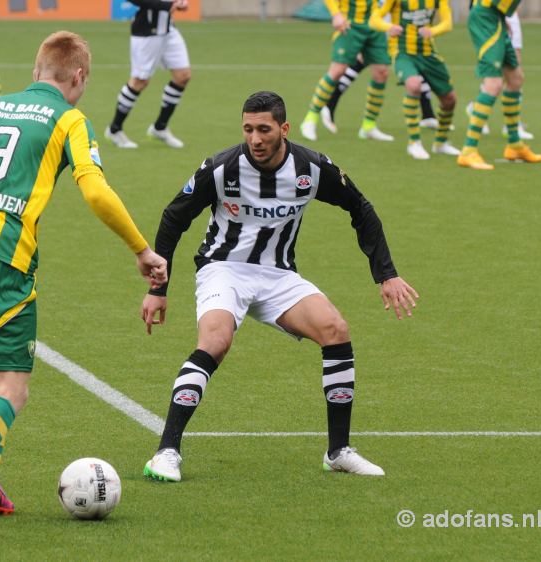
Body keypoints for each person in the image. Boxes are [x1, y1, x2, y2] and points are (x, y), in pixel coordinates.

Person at [0, 31, 168, 539]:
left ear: (36, 68)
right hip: (2, 258)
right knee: (12, 389)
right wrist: (141, 249)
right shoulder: (70, 119)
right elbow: (96, 191)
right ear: (79, 76)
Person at [141, 91, 418, 482]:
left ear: (284, 129)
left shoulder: (311, 167)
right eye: (248, 129)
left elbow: (361, 209)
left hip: (278, 275)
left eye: (264, 129)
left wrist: (386, 274)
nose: (255, 138)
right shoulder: (222, 168)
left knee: (335, 330)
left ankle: (338, 451)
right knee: (216, 341)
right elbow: (174, 218)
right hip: (224, 268)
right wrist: (158, 289)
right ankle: (166, 451)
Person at [369, 0, 460, 160]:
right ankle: (414, 143)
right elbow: (374, 19)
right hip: (402, 52)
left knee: (450, 99)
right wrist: (388, 27)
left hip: (428, 52)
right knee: (414, 85)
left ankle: (441, 143)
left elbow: (447, 23)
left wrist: (433, 31)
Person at [457, 0, 541, 170]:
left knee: (515, 79)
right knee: (493, 84)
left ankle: (515, 145)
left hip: (497, 17)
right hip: (486, 17)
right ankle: (468, 150)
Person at [299, 0, 394, 142]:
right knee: (338, 70)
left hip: (375, 24)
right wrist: (336, 14)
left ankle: (369, 126)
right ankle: (310, 119)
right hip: (350, 24)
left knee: (381, 73)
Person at [104, 0, 191, 149]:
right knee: (139, 81)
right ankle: (114, 129)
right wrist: (168, 5)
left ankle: (160, 128)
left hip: (168, 30)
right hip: (146, 33)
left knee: (182, 76)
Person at [464, 10, 534, 140]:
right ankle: (470, 145)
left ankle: (510, 126)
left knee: (514, 74)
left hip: (509, 14)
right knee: (497, 75)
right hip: (493, 15)